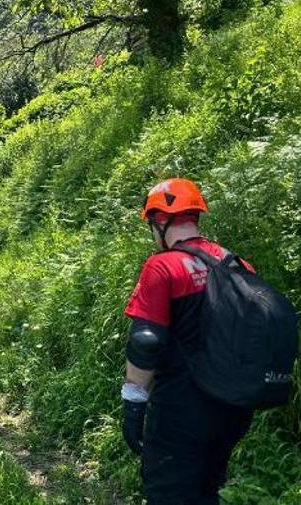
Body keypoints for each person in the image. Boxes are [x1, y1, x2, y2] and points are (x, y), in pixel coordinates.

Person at [121, 178, 256, 504]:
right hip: (232, 408)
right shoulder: (237, 264)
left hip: (181, 410)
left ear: (159, 221)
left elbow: (146, 341)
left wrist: (133, 402)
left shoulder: (163, 266)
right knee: (208, 489)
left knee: (170, 492)